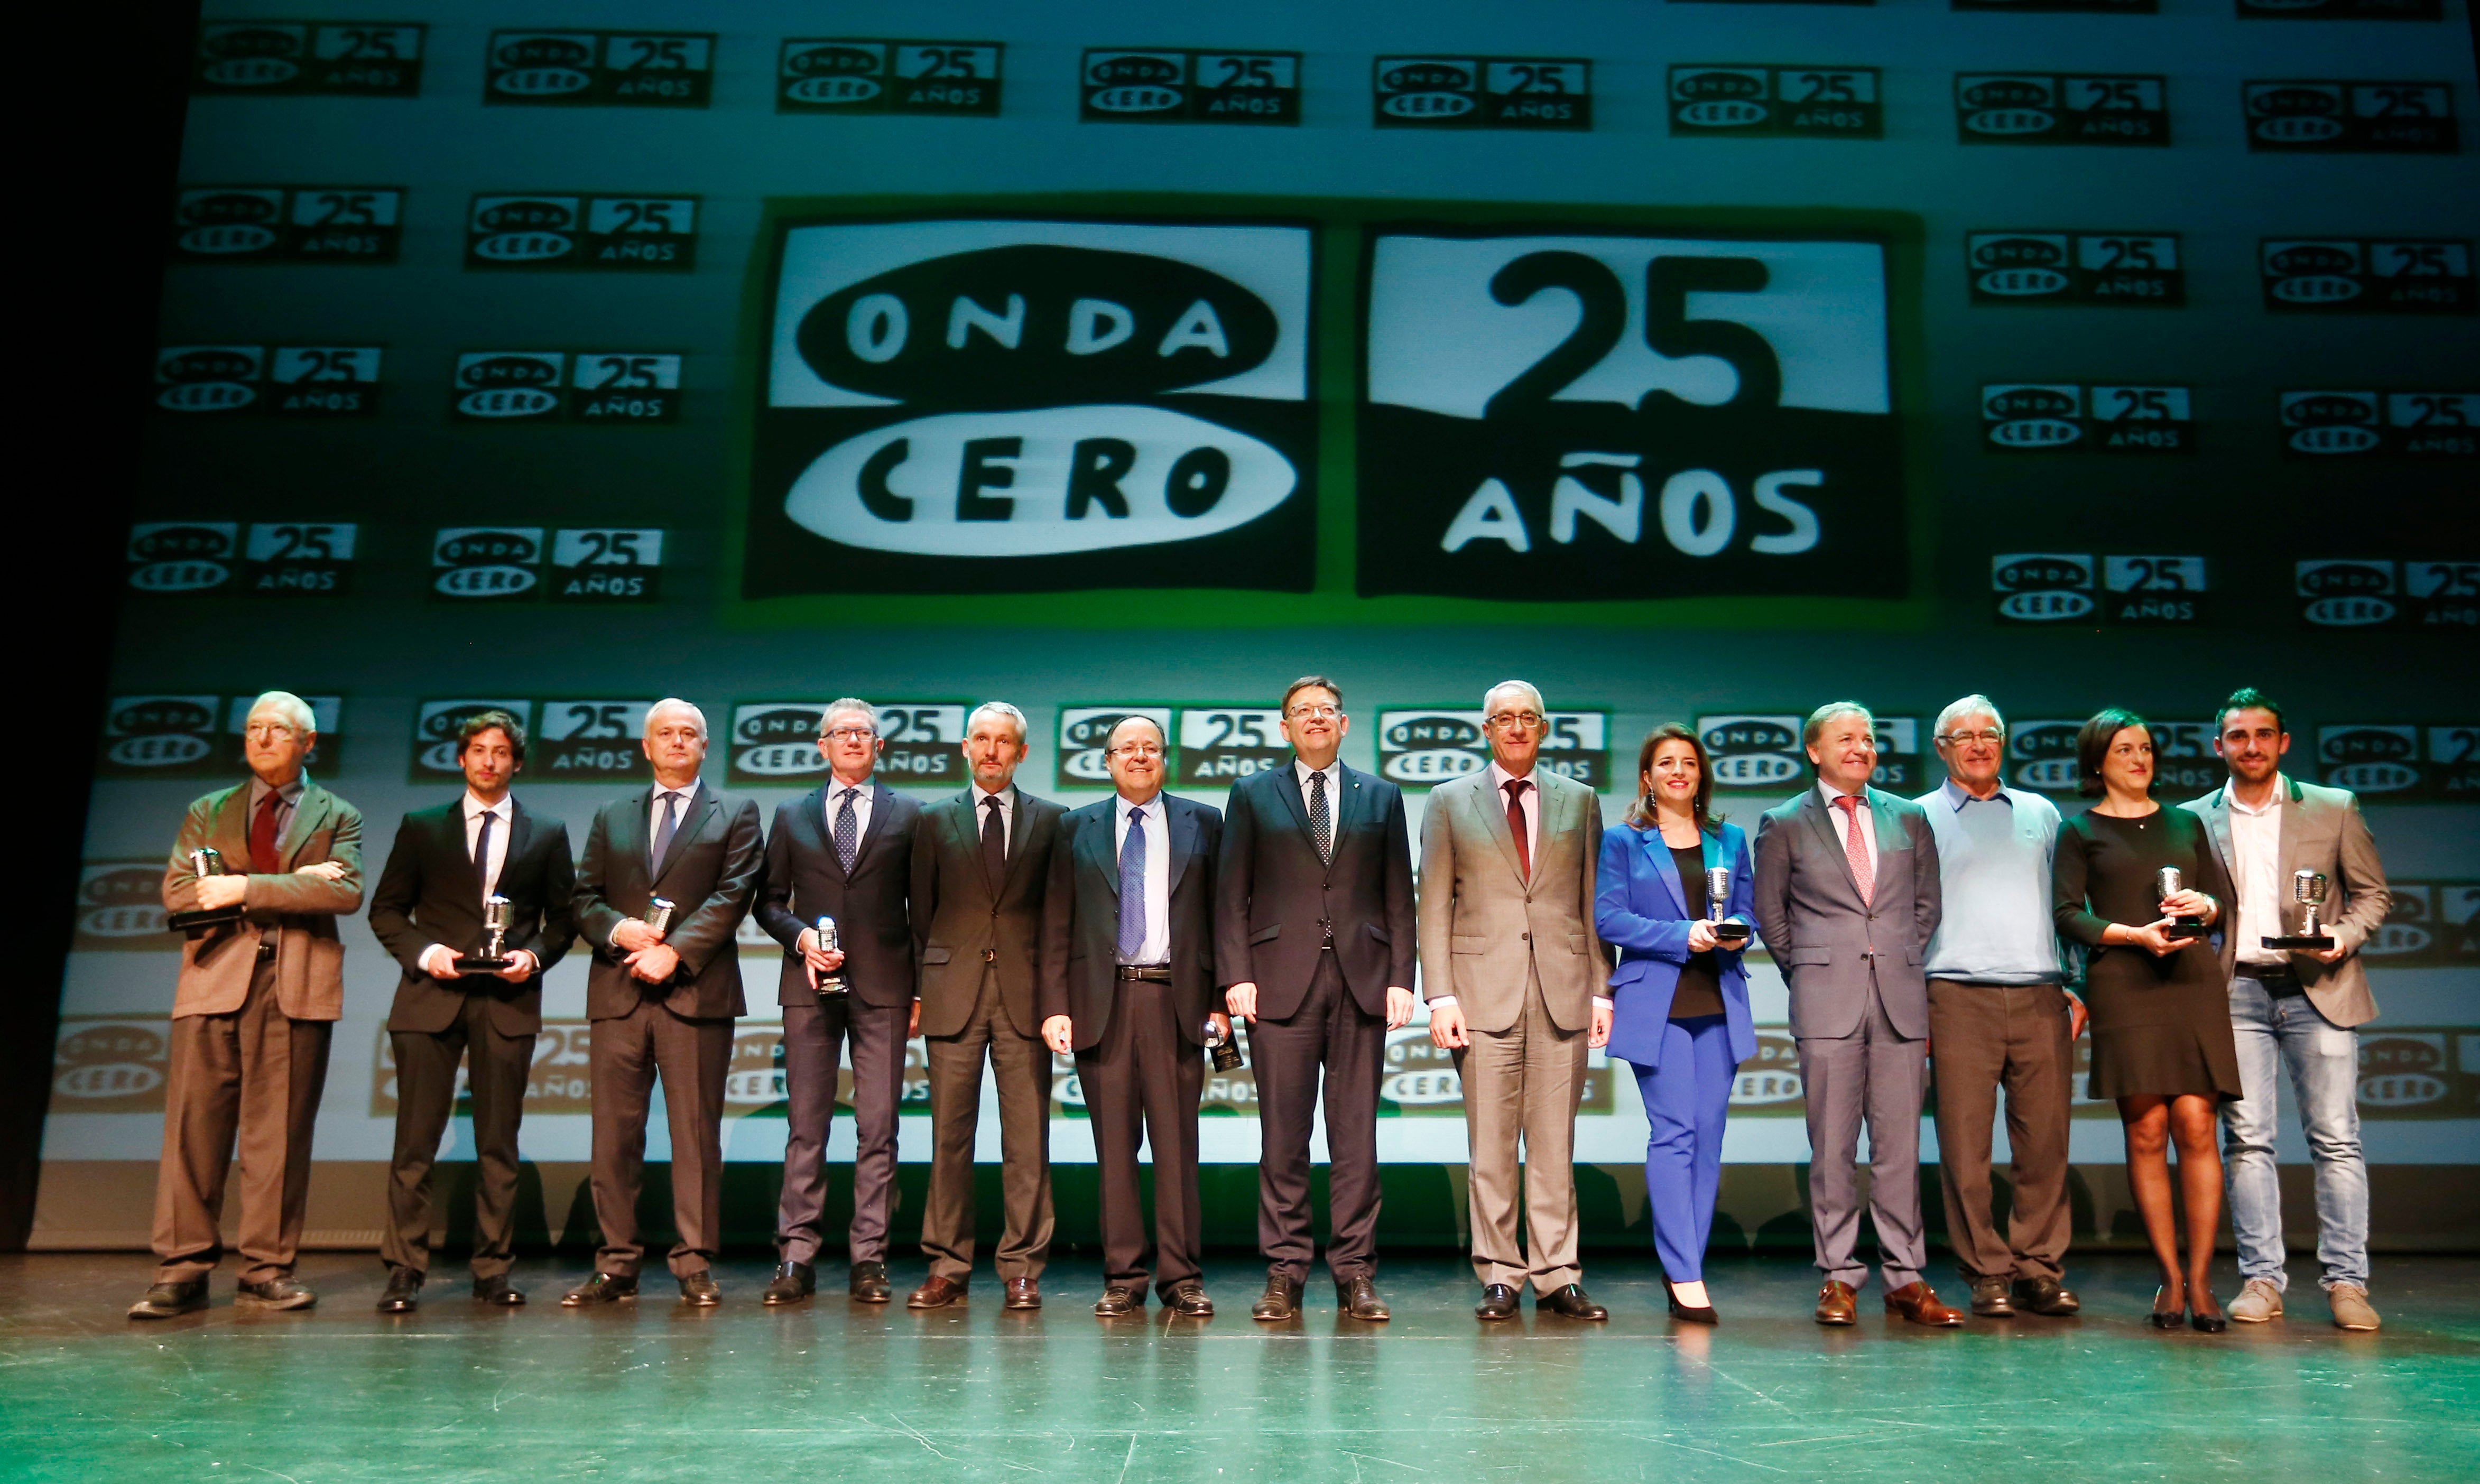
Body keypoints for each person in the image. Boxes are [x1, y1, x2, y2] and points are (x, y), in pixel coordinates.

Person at [128, 692, 364, 1320]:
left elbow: (344, 893)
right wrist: (297, 885)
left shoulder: (338, 814)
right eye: (254, 729)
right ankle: (181, 1269)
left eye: (278, 731)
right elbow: (180, 894)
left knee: (279, 1137)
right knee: (193, 1131)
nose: (262, 739)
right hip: (213, 978)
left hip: (295, 983)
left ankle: (267, 1269)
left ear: (308, 743)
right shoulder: (208, 811)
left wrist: (239, 886)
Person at [2185, 688, 2391, 1332]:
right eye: (2238, 736)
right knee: (2248, 1141)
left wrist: (2343, 937)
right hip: (2235, 992)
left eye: (2263, 735)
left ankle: (2348, 1283)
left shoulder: (2333, 808)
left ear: (2283, 743)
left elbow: (2373, 895)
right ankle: (2262, 1279)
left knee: (2336, 1139)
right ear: (2219, 746)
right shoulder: (2193, 818)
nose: (2251, 747)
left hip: (2318, 988)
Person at [1752, 702, 1960, 1328]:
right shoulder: (1785, 822)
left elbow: (1926, 907)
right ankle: (1838, 1276)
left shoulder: (1910, 817)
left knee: (1900, 1148)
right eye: (1846, 739)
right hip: (1825, 999)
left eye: (1868, 738)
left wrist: (1893, 958)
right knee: (1834, 1149)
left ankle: (1905, 1276)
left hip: (1899, 998)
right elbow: (1772, 916)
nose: (1861, 747)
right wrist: (1812, 969)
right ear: (1815, 751)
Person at [1217, 676, 1418, 1322]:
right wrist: (1234, 974)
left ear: (1344, 723)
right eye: (1302, 712)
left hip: (1362, 982)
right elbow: (1231, 895)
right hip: (1278, 983)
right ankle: (1285, 1270)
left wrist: (1400, 977)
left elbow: (1398, 896)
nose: (1315, 720)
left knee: (1356, 1139)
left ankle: (1355, 1271)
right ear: (1284, 728)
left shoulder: (1381, 796)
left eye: (1326, 710)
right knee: (1284, 1138)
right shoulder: (1251, 794)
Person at [367, 709, 574, 1312]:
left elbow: (563, 921)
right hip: (430, 998)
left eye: (501, 752)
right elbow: (386, 911)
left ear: (516, 762)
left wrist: (532, 959)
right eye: (479, 750)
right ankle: (404, 1268)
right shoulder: (422, 826)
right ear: (461, 759)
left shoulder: (548, 831)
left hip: (507, 1001)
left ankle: (492, 1269)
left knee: (498, 1142)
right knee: (414, 1142)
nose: (489, 760)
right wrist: (425, 952)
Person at [1419, 680, 1612, 1322]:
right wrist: (1441, 994)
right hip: (1480, 995)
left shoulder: (1579, 800)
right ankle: (1500, 1272)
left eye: (1528, 718)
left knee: (1555, 1144)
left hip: (1563, 990)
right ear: (1486, 729)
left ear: (1543, 727)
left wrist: (1601, 989)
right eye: (1505, 719)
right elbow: (1434, 906)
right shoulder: (1449, 801)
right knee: (1493, 1147)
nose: (1517, 728)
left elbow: (1591, 904)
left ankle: (1558, 1273)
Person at [563, 699, 764, 1307]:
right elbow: (583, 897)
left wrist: (674, 952)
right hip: (619, 992)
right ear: (646, 748)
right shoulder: (611, 813)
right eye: (666, 734)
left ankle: (694, 1261)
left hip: (695, 993)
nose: (678, 742)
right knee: (614, 1137)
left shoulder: (735, 811)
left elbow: (734, 894)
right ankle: (617, 1263)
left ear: (706, 747)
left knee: (696, 1135)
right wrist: (620, 931)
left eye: (690, 734)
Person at [2052, 708, 2240, 1333]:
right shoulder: (2080, 831)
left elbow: (2222, 902)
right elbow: (2066, 914)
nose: (2140, 759)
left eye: (2147, 748)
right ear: (2098, 762)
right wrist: (2133, 934)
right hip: (2126, 981)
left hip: (2189, 980)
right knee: (2147, 1129)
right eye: (2125, 749)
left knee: (2196, 1121)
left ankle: (2207, 1280)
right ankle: (2171, 1278)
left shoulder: (2186, 822)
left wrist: (2204, 905)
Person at [1040, 715, 1226, 1318]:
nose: (1139, 756)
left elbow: (1224, 918)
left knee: (1177, 1150)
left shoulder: (1205, 821)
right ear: (1108, 760)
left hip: (1178, 1002)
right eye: (1128, 748)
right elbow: (1055, 925)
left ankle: (1182, 1278)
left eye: (1151, 747)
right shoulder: (1075, 827)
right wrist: (1055, 1006)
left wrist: (1221, 1001)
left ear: (1165, 758)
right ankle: (1123, 1276)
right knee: (1114, 1152)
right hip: (1104, 1004)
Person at [1915, 697, 2082, 1321]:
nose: (1980, 745)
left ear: (2005, 743)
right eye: (1965, 737)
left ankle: (2038, 1267)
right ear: (1943, 748)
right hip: (1955, 994)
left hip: (2040, 992)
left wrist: (2076, 985)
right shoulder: (1918, 817)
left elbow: (2068, 904)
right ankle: (1986, 1270)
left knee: (2044, 1144)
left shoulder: (2041, 812)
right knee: (1964, 1147)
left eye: (1991, 735)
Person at [756, 698, 923, 1307]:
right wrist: (801, 939)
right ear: (822, 747)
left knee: (878, 1127)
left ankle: (869, 1259)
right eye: (841, 733)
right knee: (807, 1127)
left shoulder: (910, 813)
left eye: (865, 733)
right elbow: (769, 900)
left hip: (884, 988)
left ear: (880, 747)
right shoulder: (790, 814)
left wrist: (921, 990)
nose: (853, 740)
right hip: (809, 988)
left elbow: (923, 907)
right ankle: (796, 1255)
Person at [1594, 724, 1755, 1325]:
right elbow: (1609, 919)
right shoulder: (1623, 841)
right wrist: (1680, 936)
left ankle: (1688, 1262)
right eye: (1666, 763)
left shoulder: (1730, 838)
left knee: (1708, 1139)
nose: (1679, 771)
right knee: (1674, 1134)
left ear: (1701, 775)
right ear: (1648, 777)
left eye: (1689, 762)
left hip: (1718, 999)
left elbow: (1749, 911)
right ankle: (1684, 1273)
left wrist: (1733, 931)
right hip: (1656, 1001)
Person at [907, 702, 1064, 1311]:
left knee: (1028, 1141)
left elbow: (1060, 919)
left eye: (1005, 742)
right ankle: (948, 1265)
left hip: (1027, 1000)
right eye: (982, 740)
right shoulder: (931, 820)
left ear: (1023, 754)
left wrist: (1058, 1001)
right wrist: (924, 986)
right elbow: (921, 911)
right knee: (949, 1138)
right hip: (952, 996)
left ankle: (1023, 1267)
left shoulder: (1054, 820)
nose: (993, 750)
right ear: (965, 749)